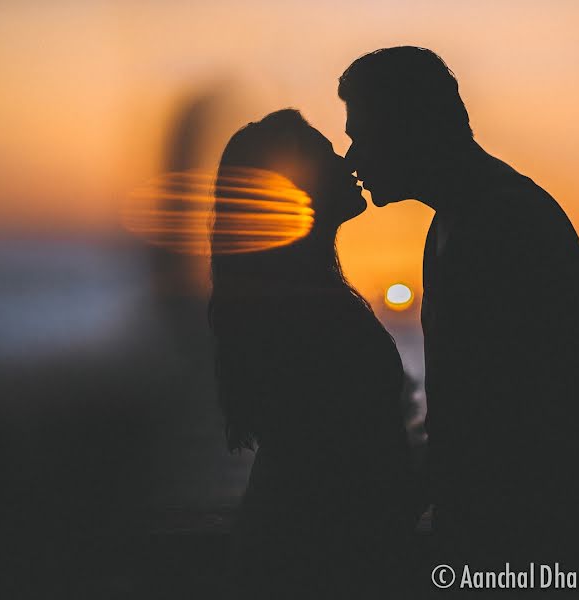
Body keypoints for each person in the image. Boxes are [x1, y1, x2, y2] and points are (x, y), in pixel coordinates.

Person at [338, 47, 579, 564]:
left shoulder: (507, 221)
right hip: (496, 535)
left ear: (407, 125)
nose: (353, 159)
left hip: (536, 542)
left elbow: (503, 405)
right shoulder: (454, 222)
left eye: (361, 135)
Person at [209, 109, 421, 598]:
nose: (347, 161)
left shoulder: (293, 299)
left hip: (297, 545)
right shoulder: (309, 310)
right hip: (318, 558)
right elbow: (343, 457)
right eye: (326, 156)